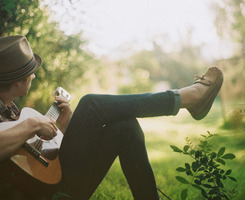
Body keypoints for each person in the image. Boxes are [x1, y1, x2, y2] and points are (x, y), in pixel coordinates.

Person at [0, 35, 223, 200]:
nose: (35, 74)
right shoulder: (25, 119)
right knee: (90, 104)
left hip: (54, 186)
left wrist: (65, 128)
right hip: (43, 194)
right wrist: (32, 123)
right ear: (18, 81)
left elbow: (41, 162)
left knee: (125, 128)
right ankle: (187, 98)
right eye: (30, 71)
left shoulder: (12, 112)